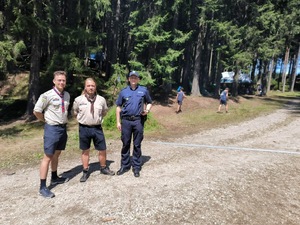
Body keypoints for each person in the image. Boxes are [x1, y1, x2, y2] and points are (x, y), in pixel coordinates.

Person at [33, 70, 70, 198]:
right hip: (52, 129)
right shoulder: (46, 95)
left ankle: (54, 177)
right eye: (59, 80)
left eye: (63, 80)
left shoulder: (67, 95)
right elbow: (37, 111)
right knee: (48, 156)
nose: (61, 82)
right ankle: (43, 187)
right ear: (54, 81)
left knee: (57, 154)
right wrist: (45, 120)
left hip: (62, 129)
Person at [72, 78, 115, 182]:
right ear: (85, 87)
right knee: (85, 150)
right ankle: (85, 171)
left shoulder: (101, 100)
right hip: (84, 128)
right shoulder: (78, 100)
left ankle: (103, 168)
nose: (91, 87)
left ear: (95, 87)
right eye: (88, 86)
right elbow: (74, 112)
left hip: (97, 128)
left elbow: (104, 112)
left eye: (93, 86)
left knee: (102, 149)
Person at [115, 71, 152, 177]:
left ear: (138, 79)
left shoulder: (143, 91)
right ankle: (125, 165)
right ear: (129, 79)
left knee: (137, 144)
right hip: (126, 121)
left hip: (138, 121)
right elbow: (118, 107)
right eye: (131, 77)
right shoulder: (123, 92)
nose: (133, 79)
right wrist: (118, 122)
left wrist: (147, 110)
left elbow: (149, 102)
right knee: (125, 144)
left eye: (135, 77)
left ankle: (136, 166)